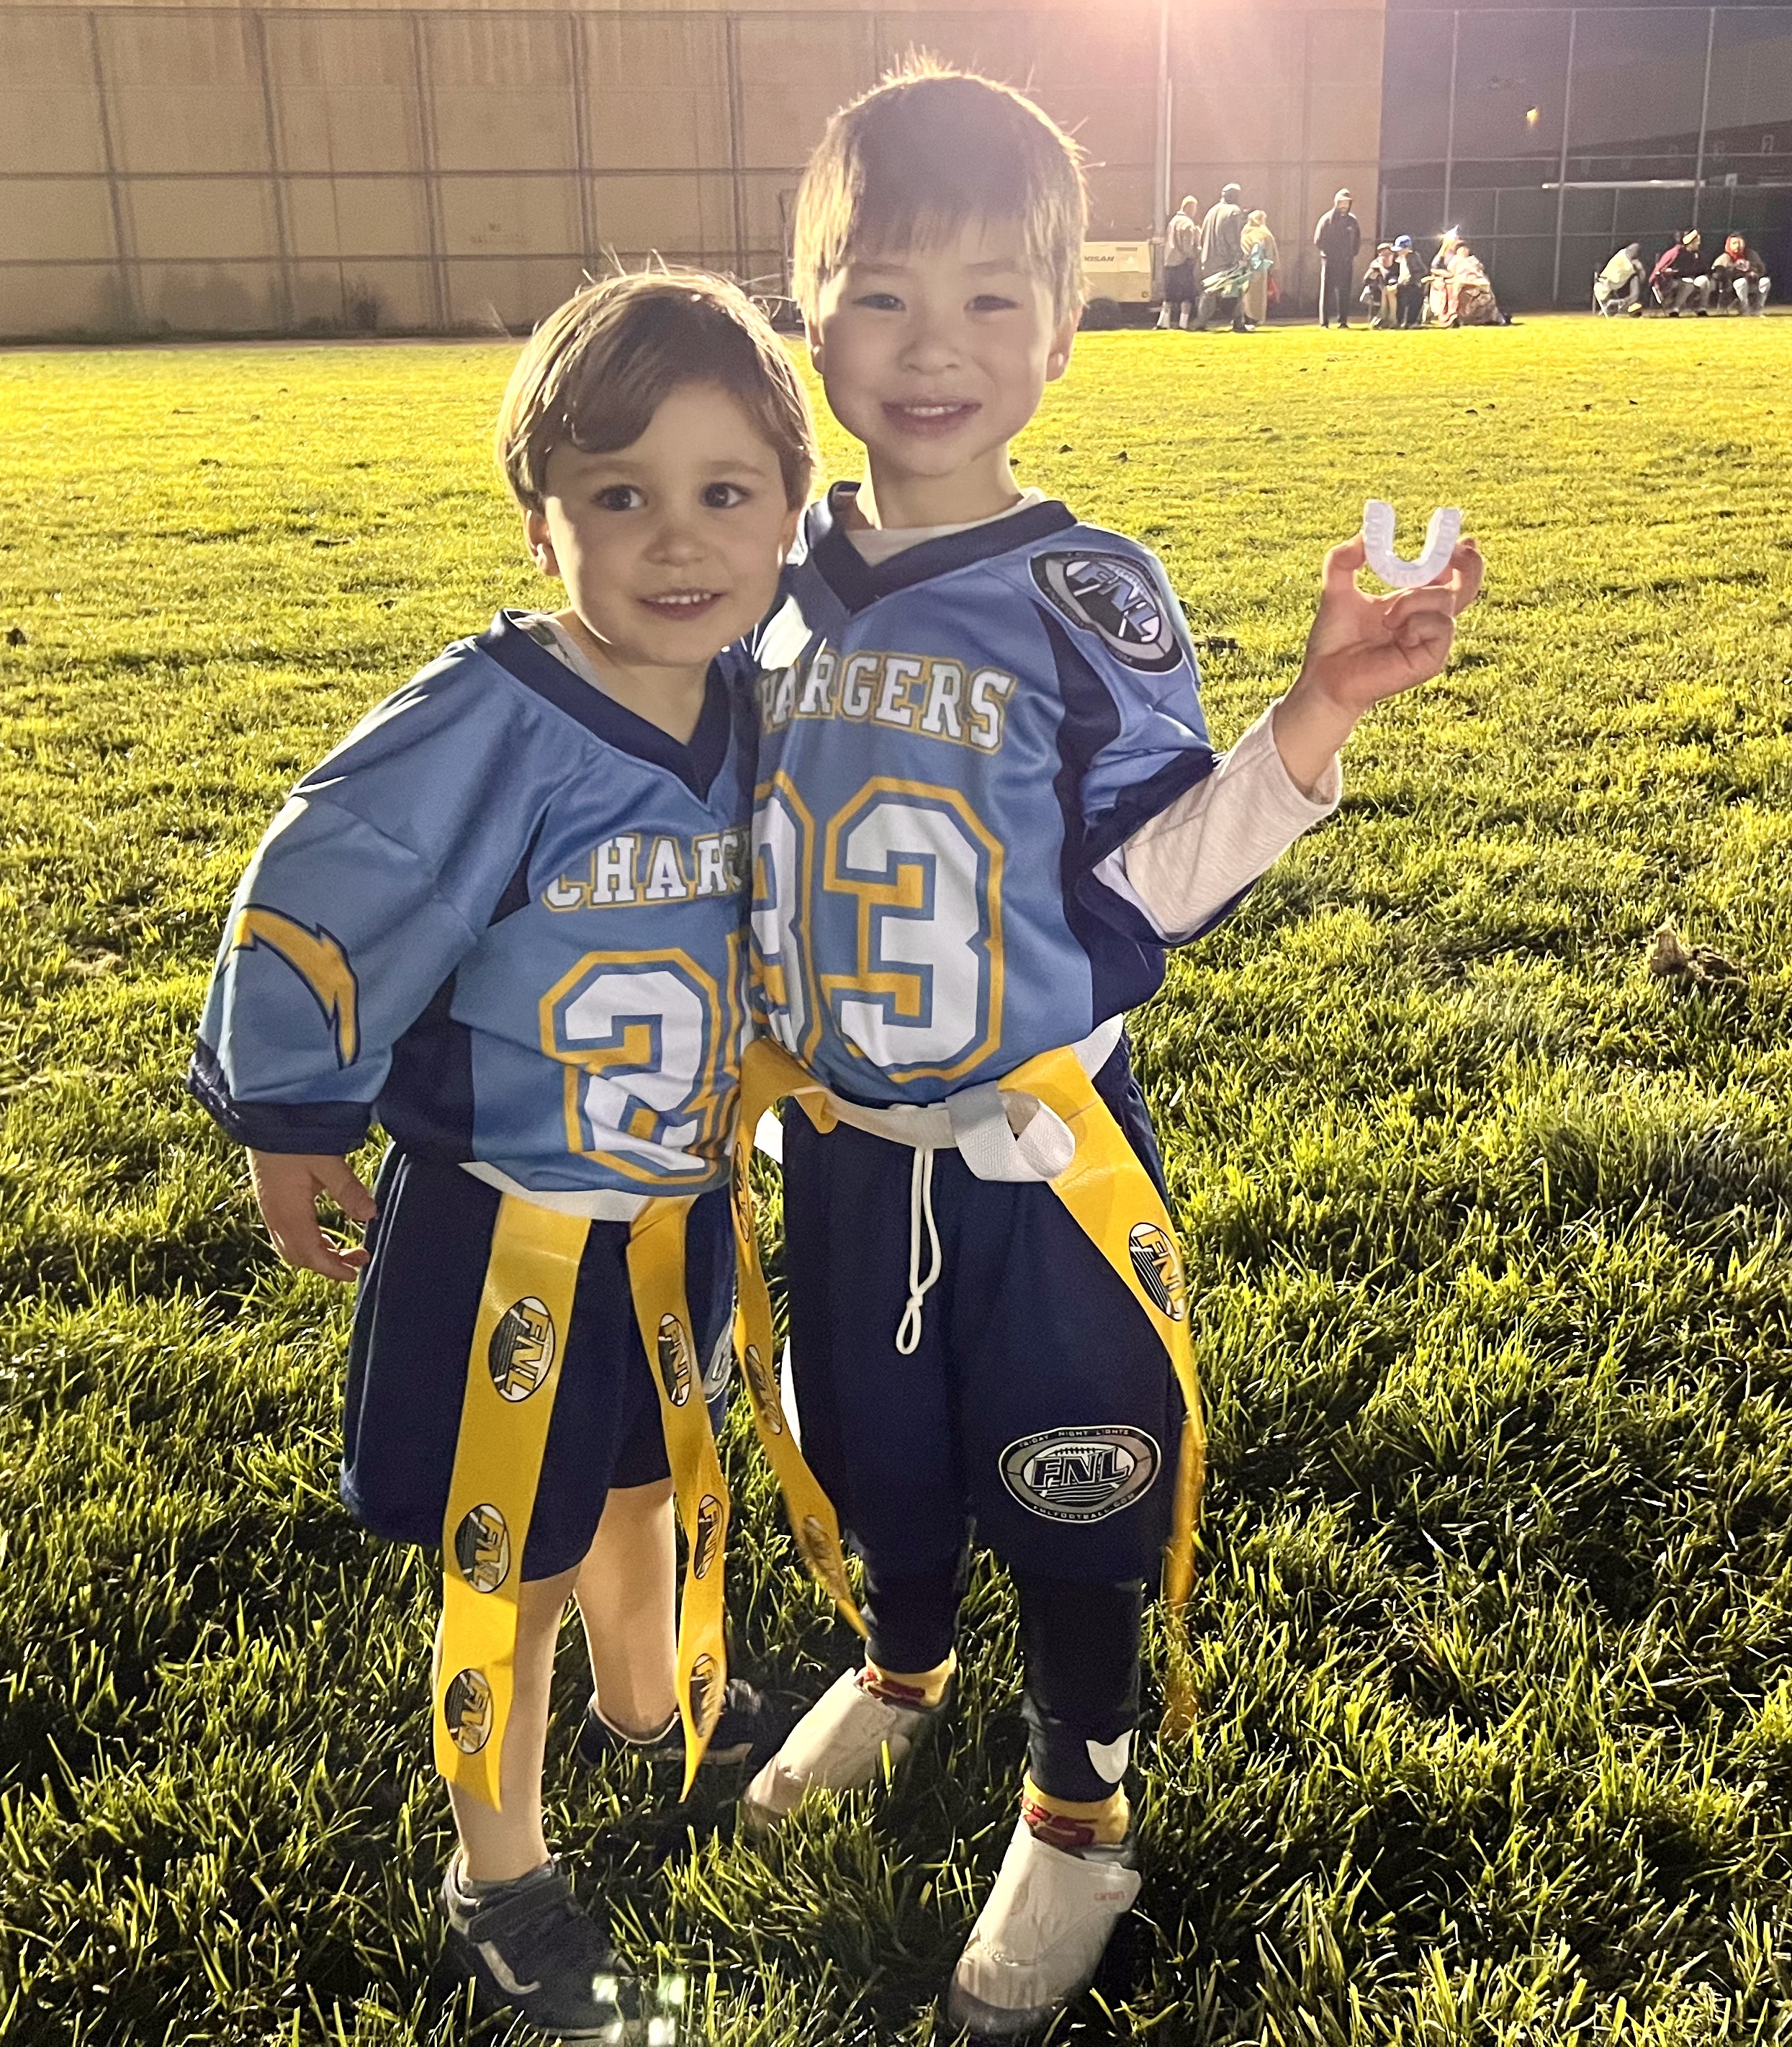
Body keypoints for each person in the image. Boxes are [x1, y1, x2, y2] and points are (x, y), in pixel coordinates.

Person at [734, 58, 1485, 2041]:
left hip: (1033, 1157)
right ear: (810, 316)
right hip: (840, 1145)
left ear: (1062, 331)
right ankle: (903, 1671)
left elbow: (1154, 872)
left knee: (1071, 1476)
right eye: (884, 294)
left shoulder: (1087, 592)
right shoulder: (761, 580)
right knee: (869, 1450)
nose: (935, 346)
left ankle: (1077, 1807)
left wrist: (1311, 718)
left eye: (992, 298)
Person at [188, 269, 817, 2041]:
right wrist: (294, 1109)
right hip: (511, 1234)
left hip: (673, 1213)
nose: (677, 539)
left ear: (790, 509)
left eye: (723, 490)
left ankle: (655, 1704)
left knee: (646, 1483)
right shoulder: (491, 718)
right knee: (508, 1565)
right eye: (619, 493)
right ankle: (501, 1868)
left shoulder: (763, 702)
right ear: (544, 525)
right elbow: (334, 873)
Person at [1196, 180, 1248, 331]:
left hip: (1208, 259)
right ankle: (1238, 322)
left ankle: (1201, 321)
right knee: (1238, 290)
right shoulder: (1234, 211)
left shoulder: (1211, 211)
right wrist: (1239, 257)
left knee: (1209, 292)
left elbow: (1202, 237)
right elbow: (1233, 237)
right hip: (1226, 260)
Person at [1314, 186, 1364, 328]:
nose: (1344, 205)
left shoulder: (1352, 221)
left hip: (1346, 262)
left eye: (1347, 203)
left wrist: (1351, 254)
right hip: (1330, 261)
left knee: (1345, 292)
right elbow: (1318, 240)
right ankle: (1324, 323)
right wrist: (1329, 254)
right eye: (1341, 202)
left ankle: (1343, 322)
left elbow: (1357, 241)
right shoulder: (1327, 220)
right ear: (1336, 202)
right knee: (1327, 292)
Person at [1158, 194, 1199, 330]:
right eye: (1195, 208)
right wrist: (1195, 254)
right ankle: (1183, 323)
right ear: (1190, 207)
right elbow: (1187, 247)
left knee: (1168, 296)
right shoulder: (1187, 224)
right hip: (1183, 264)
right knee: (1187, 296)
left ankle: (1162, 323)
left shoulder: (1173, 221)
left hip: (1169, 263)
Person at [1649, 228, 1711, 315]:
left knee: (1704, 280)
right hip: (1672, 282)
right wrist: (1667, 271)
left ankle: (1702, 309)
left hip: (1692, 279)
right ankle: (1675, 309)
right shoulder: (1675, 253)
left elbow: (1704, 270)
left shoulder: (1697, 254)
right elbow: (1660, 270)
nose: (1699, 243)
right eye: (1697, 241)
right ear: (1690, 242)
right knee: (1688, 284)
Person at [1711, 234, 1771, 315]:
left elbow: (1762, 270)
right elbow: (1717, 275)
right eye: (1734, 243)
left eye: (1740, 243)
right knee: (1741, 282)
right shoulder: (1724, 258)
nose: (1738, 246)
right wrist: (1737, 274)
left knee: (1765, 281)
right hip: (1733, 286)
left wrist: (1756, 274)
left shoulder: (1752, 255)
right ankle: (1745, 309)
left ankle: (1757, 310)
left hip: (1753, 283)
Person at [1241, 208, 1280, 326]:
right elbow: (1271, 252)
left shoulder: (1245, 232)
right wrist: (1273, 266)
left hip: (1245, 267)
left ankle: (1244, 316)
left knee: (1246, 294)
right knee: (1258, 295)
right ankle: (1256, 318)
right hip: (1260, 268)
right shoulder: (1265, 233)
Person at [1594, 241, 1646, 317]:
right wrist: (1640, 269)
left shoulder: (1628, 263)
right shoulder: (1624, 258)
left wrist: (1640, 269)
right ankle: (1622, 306)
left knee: (1634, 293)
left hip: (1616, 283)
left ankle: (1626, 306)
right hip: (1609, 283)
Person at [1359, 241, 1396, 327]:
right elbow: (1366, 280)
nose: (1385, 255)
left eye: (1388, 252)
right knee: (1385, 291)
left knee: (1389, 291)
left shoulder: (1397, 264)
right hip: (1377, 292)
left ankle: (1390, 319)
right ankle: (1384, 318)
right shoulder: (1375, 266)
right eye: (1382, 252)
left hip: (1395, 290)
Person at [1393, 234, 1426, 328]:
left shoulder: (1413, 257)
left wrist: (1410, 278)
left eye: (1401, 249)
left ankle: (1411, 322)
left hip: (1412, 285)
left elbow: (1422, 270)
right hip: (1404, 285)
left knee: (1413, 304)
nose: (1399, 252)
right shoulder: (1403, 258)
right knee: (1402, 303)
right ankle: (1401, 322)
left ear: (1407, 248)